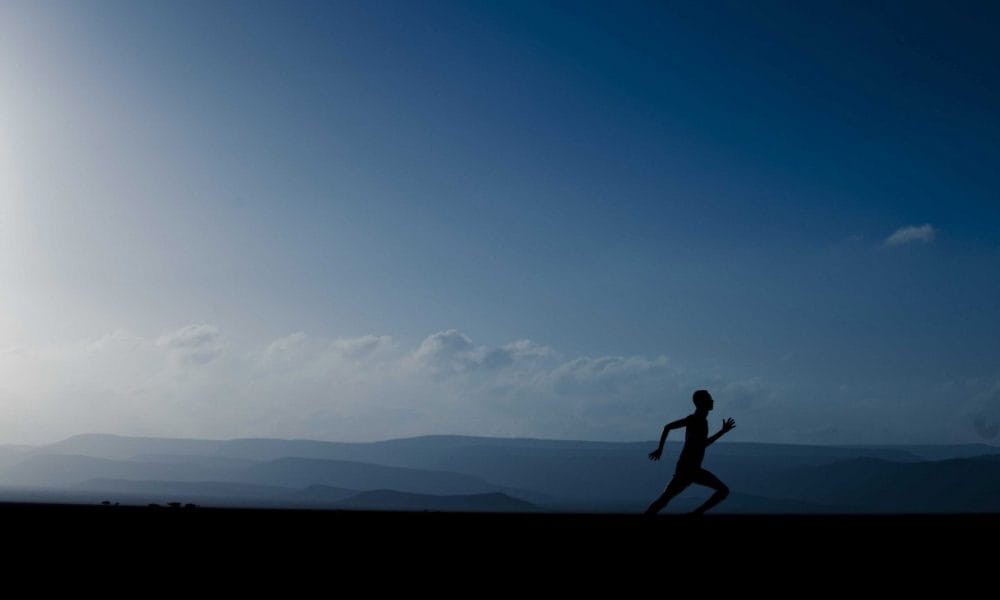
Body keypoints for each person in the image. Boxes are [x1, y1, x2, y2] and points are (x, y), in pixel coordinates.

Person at [644, 389, 735, 516]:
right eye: (709, 398)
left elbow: (701, 444)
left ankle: (696, 513)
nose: (712, 401)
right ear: (701, 402)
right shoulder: (694, 420)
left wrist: (722, 432)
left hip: (692, 469)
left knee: (664, 500)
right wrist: (660, 449)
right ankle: (696, 514)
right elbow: (668, 427)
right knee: (664, 500)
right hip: (687, 469)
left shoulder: (701, 420)